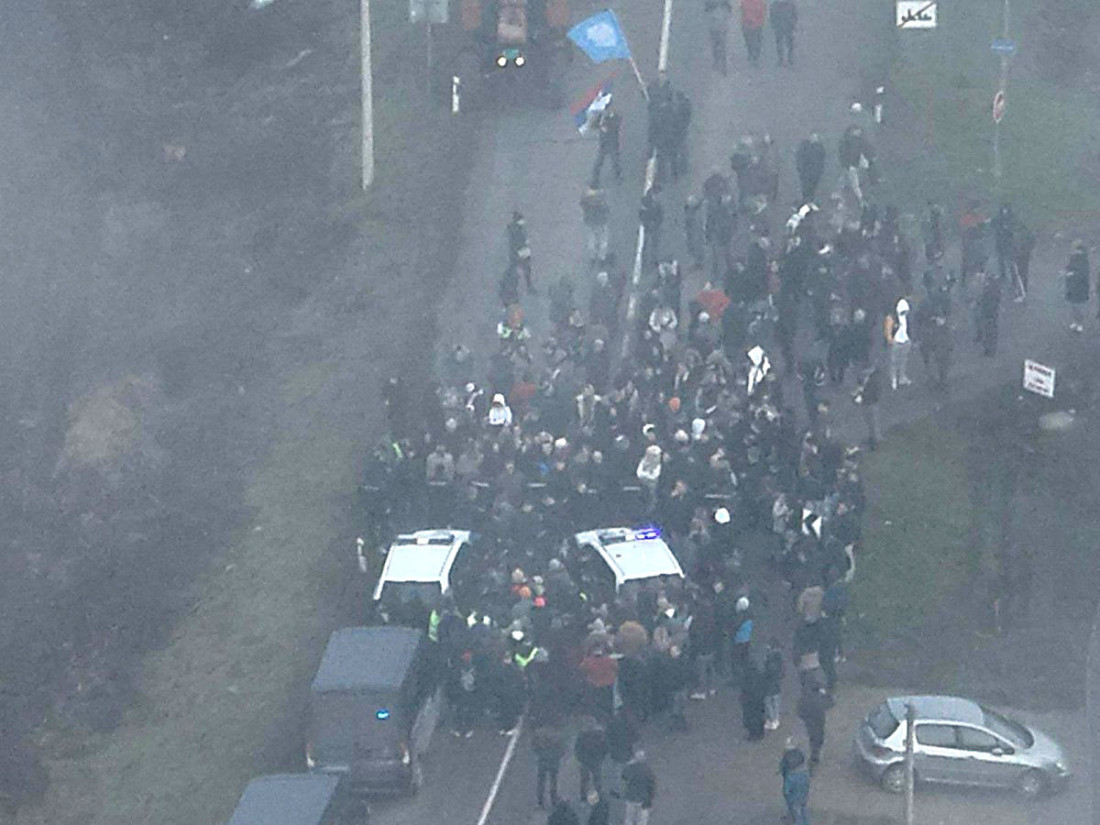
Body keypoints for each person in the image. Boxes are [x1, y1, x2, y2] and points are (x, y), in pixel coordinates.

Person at [797, 683, 833, 768]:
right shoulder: (819, 698)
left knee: (813, 737)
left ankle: (814, 755)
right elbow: (831, 703)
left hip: (809, 722)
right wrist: (826, 694)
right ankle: (814, 756)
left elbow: (799, 712)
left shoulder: (804, 699)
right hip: (819, 721)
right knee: (818, 738)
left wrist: (805, 718)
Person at [574, 717, 608, 803]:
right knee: (587, 780)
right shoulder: (584, 734)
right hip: (588, 760)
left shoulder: (596, 734)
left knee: (594, 780)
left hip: (593, 760)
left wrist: (601, 757)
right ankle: (586, 798)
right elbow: (577, 748)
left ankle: (593, 798)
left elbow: (604, 747)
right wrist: (580, 758)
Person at [621, 750, 657, 825]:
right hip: (643, 799)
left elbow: (624, 776)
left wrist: (628, 765)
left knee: (629, 819)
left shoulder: (631, 768)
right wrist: (650, 797)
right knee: (642, 820)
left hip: (631, 797)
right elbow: (651, 785)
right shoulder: (647, 770)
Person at [883, 297, 912, 390]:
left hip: (905, 341)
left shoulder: (906, 317)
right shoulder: (891, 318)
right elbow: (888, 330)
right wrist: (890, 340)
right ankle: (894, 379)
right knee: (893, 362)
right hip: (896, 343)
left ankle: (902, 377)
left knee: (903, 361)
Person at [853, 363, 882, 450]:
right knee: (868, 422)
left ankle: (875, 441)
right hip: (866, 403)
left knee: (873, 423)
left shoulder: (874, 381)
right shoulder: (864, 379)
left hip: (871, 404)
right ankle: (871, 437)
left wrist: (862, 395)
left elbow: (874, 394)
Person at [593, 103, 623, 186]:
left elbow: (617, 126)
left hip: (612, 143)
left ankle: (618, 176)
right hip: (603, 144)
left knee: (615, 162)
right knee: (598, 163)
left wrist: (606, 125)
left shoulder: (615, 117)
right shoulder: (601, 117)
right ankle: (595, 180)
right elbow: (594, 125)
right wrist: (600, 123)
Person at [781, 746, 811, 825]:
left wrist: (787, 794)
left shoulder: (790, 777)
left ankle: (798, 822)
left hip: (793, 798)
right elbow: (807, 784)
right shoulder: (805, 774)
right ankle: (805, 822)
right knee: (802, 809)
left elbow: (786, 791)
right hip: (803, 796)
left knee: (796, 812)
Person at [1065, 239, 1090, 332]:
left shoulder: (1083, 259)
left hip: (1080, 286)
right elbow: (1069, 266)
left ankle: (1080, 323)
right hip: (1072, 284)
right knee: (1073, 305)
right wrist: (1066, 271)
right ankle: (1075, 321)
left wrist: (1072, 274)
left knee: (1078, 306)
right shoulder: (1074, 257)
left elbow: (1083, 273)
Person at [581, 187, 611, 264]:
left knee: (591, 238)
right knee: (603, 239)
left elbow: (583, 207)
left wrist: (585, 218)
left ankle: (592, 257)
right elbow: (606, 209)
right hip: (601, 221)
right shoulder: (601, 196)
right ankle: (602, 257)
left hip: (591, 222)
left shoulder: (587, 196)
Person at [975, 269, 1002, 356]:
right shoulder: (996, 288)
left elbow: (986, 300)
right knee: (991, 330)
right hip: (992, 312)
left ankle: (989, 349)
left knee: (989, 330)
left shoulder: (990, 289)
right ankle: (990, 348)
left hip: (989, 312)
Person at [705, 0, 733, 74]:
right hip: (720, 26)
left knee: (716, 44)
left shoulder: (711, 4)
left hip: (715, 26)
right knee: (721, 45)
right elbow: (729, 10)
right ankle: (722, 65)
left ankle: (718, 63)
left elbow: (706, 9)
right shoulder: (723, 4)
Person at [795, 134, 825, 202]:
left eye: (816, 137)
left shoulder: (819, 147)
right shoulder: (805, 146)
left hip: (815, 172)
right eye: (813, 136)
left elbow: (821, 159)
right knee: (806, 187)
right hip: (806, 172)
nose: (814, 138)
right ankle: (806, 200)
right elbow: (800, 158)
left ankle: (810, 200)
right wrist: (801, 169)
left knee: (813, 187)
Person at [640, 184, 664, 266]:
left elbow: (660, 214)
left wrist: (658, 223)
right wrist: (648, 223)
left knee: (655, 244)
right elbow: (642, 214)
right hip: (648, 226)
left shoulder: (658, 202)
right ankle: (644, 259)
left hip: (656, 226)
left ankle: (654, 259)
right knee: (646, 243)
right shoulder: (646, 202)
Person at [763, 639, 785, 730]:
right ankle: (774, 719)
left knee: (768, 700)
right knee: (775, 701)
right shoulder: (779, 658)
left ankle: (773, 719)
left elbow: (769, 670)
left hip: (770, 682)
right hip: (776, 683)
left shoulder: (771, 657)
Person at [740, 0, 767, 66]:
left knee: (756, 42)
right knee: (749, 42)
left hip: (756, 25)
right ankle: (751, 55)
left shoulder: (760, 2)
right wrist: (745, 22)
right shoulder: (744, 2)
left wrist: (756, 22)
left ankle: (755, 57)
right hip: (748, 25)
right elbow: (742, 13)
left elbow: (762, 14)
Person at [770, 0, 797, 66]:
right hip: (780, 27)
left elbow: (795, 15)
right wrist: (773, 24)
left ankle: (789, 58)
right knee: (781, 44)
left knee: (789, 44)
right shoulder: (775, 5)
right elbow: (772, 16)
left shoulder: (790, 5)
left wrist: (793, 23)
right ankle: (782, 59)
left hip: (787, 27)